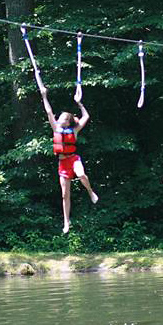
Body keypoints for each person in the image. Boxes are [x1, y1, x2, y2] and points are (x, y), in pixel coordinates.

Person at [40, 87, 98, 234]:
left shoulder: (74, 130)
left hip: (73, 159)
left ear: (69, 122)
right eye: (61, 117)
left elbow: (86, 117)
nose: (61, 120)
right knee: (65, 194)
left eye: (65, 119)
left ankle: (90, 192)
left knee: (81, 174)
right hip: (62, 163)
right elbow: (48, 111)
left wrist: (80, 104)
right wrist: (44, 96)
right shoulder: (55, 128)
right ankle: (66, 222)